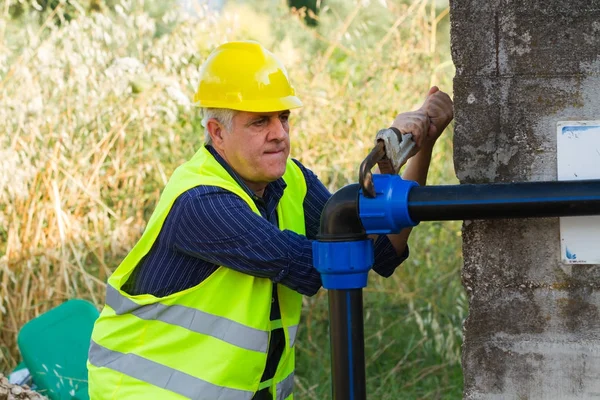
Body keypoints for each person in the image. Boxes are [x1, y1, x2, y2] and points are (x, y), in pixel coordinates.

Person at [86, 41, 453, 400]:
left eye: (283, 117)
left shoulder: (290, 182)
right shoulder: (200, 203)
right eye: (260, 122)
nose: (279, 134)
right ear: (217, 133)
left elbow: (382, 253)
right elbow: (317, 266)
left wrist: (419, 150)